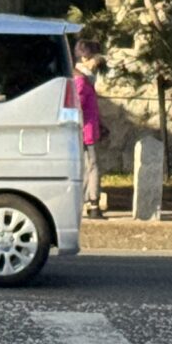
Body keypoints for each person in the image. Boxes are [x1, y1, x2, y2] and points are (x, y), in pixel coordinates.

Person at [70, 46, 105, 217]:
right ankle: (90, 202)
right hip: (86, 131)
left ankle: (88, 202)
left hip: (88, 130)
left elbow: (82, 108)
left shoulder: (82, 83)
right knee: (90, 166)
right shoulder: (82, 82)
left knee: (89, 166)